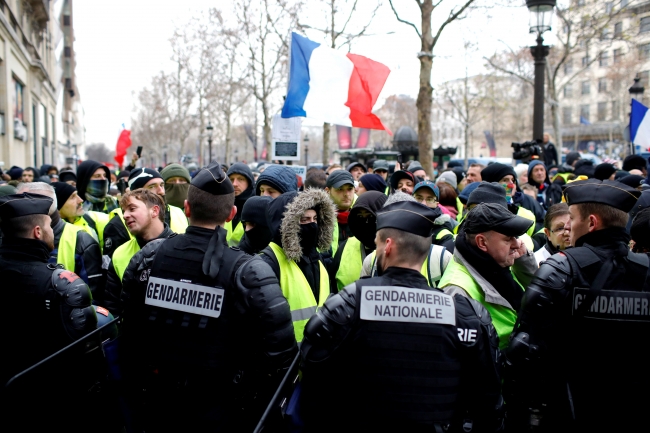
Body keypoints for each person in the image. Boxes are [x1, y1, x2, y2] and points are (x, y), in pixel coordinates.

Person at [118, 162, 297, 432]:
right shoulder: (249, 271)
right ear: (231, 214)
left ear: (187, 208)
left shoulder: (148, 257)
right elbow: (281, 356)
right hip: (221, 410)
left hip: (160, 405)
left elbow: (129, 331)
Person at [299, 200, 503, 433]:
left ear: (387, 246)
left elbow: (313, 384)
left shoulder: (350, 304)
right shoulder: (464, 313)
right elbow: (488, 403)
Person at [504, 179, 648, 432]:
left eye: (571, 218)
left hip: (571, 412)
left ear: (591, 223)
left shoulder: (560, 269)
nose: (568, 226)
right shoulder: (645, 271)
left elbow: (524, 352)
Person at [0, 193, 98, 431]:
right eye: (49, 226)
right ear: (37, 232)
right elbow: (85, 350)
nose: (53, 231)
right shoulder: (60, 283)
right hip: (50, 401)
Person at [439, 203, 537, 349]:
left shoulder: (496, 263)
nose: (517, 244)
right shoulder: (456, 290)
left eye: (516, 236)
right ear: (482, 242)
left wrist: (524, 263)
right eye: (508, 238)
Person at [260, 189, 335, 341]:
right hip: (286, 358)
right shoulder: (268, 263)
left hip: (317, 355)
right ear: (286, 225)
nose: (312, 226)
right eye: (304, 220)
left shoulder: (317, 258)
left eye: (315, 219)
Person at [17, 182, 104, 299]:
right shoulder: (10, 237)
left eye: (23, 202)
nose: (16, 208)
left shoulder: (81, 241)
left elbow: (92, 298)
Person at [104, 189, 174, 316]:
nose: (125, 215)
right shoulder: (119, 253)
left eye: (132, 209)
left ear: (154, 211)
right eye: (123, 211)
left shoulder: (181, 247)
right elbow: (113, 305)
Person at [103, 167, 188, 258]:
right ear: (136, 193)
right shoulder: (118, 223)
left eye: (162, 185)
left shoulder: (177, 211)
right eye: (152, 187)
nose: (161, 191)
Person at [330, 191, 387, 291]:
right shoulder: (345, 247)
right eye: (360, 217)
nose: (365, 222)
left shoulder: (396, 251)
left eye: (370, 216)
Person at [52, 182, 111, 248]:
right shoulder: (52, 233)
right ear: (58, 206)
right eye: (72, 197)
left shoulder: (91, 218)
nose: (80, 200)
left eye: (77, 195)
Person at [413, 180, 455, 250]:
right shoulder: (403, 223)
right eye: (419, 198)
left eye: (429, 199)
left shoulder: (444, 235)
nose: (424, 203)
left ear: (437, 204)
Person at [325, 170, 355, 256]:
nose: (346, 194)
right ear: (327, 191)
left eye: (350, 189)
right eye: (340, 189)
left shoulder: (363, 216)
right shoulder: (318, 218)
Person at [225, 163, 255, 246]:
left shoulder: (256, 207)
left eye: (240, 179)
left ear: (249, 182)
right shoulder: (221, 204)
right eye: (231, 179)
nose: (234, 184)